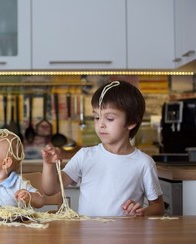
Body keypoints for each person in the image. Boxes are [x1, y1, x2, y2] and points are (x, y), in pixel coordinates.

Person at [41, 80, 164, 217]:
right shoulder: (85, 156)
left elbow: (158, 207)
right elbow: (50, 189)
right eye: (96, 117)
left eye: (109, 118)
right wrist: (48, 165)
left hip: (126, 237)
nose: (100, 124)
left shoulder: (144, 163)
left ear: (131, 122)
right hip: (88, 236)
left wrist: (142, 212)